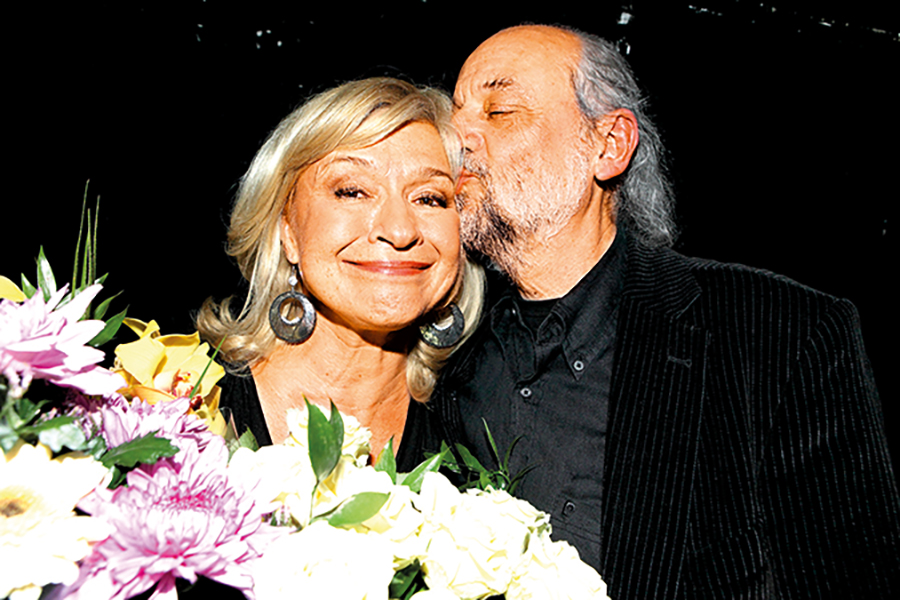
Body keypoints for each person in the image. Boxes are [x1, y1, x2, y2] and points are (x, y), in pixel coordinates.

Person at [433, 25, 900, 597]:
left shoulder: (780, 333)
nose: (457, 138)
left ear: (609, 145)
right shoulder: (438, 353)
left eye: (499, 111)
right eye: (454, 115)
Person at [198, 78, 483, 471]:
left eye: (429, 198)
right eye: (352, 191)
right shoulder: (174, 403)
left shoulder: (481, 433)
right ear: (287, 228)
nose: (400, 230)